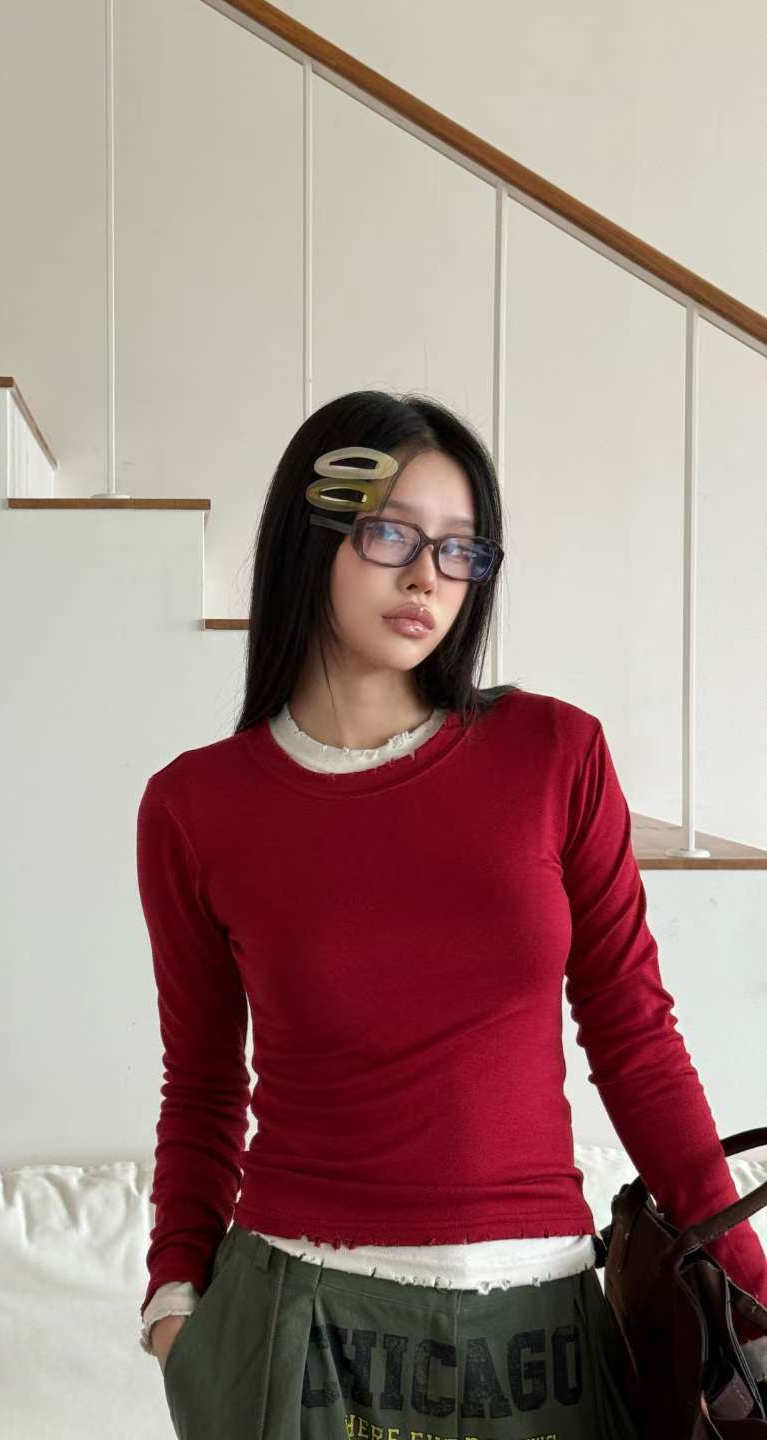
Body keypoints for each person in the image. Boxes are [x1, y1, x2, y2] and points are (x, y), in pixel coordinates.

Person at [134, 390, 767, 1438]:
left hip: (543, 1331)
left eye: (461, 550)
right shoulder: (198, 806)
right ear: (312, 533)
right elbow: (201, 1087)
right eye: (391, 534)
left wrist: (749, 1291)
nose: (428, 575)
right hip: (298, 1323)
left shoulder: (554, 756)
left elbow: (636, 1039)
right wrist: (175, 1307)